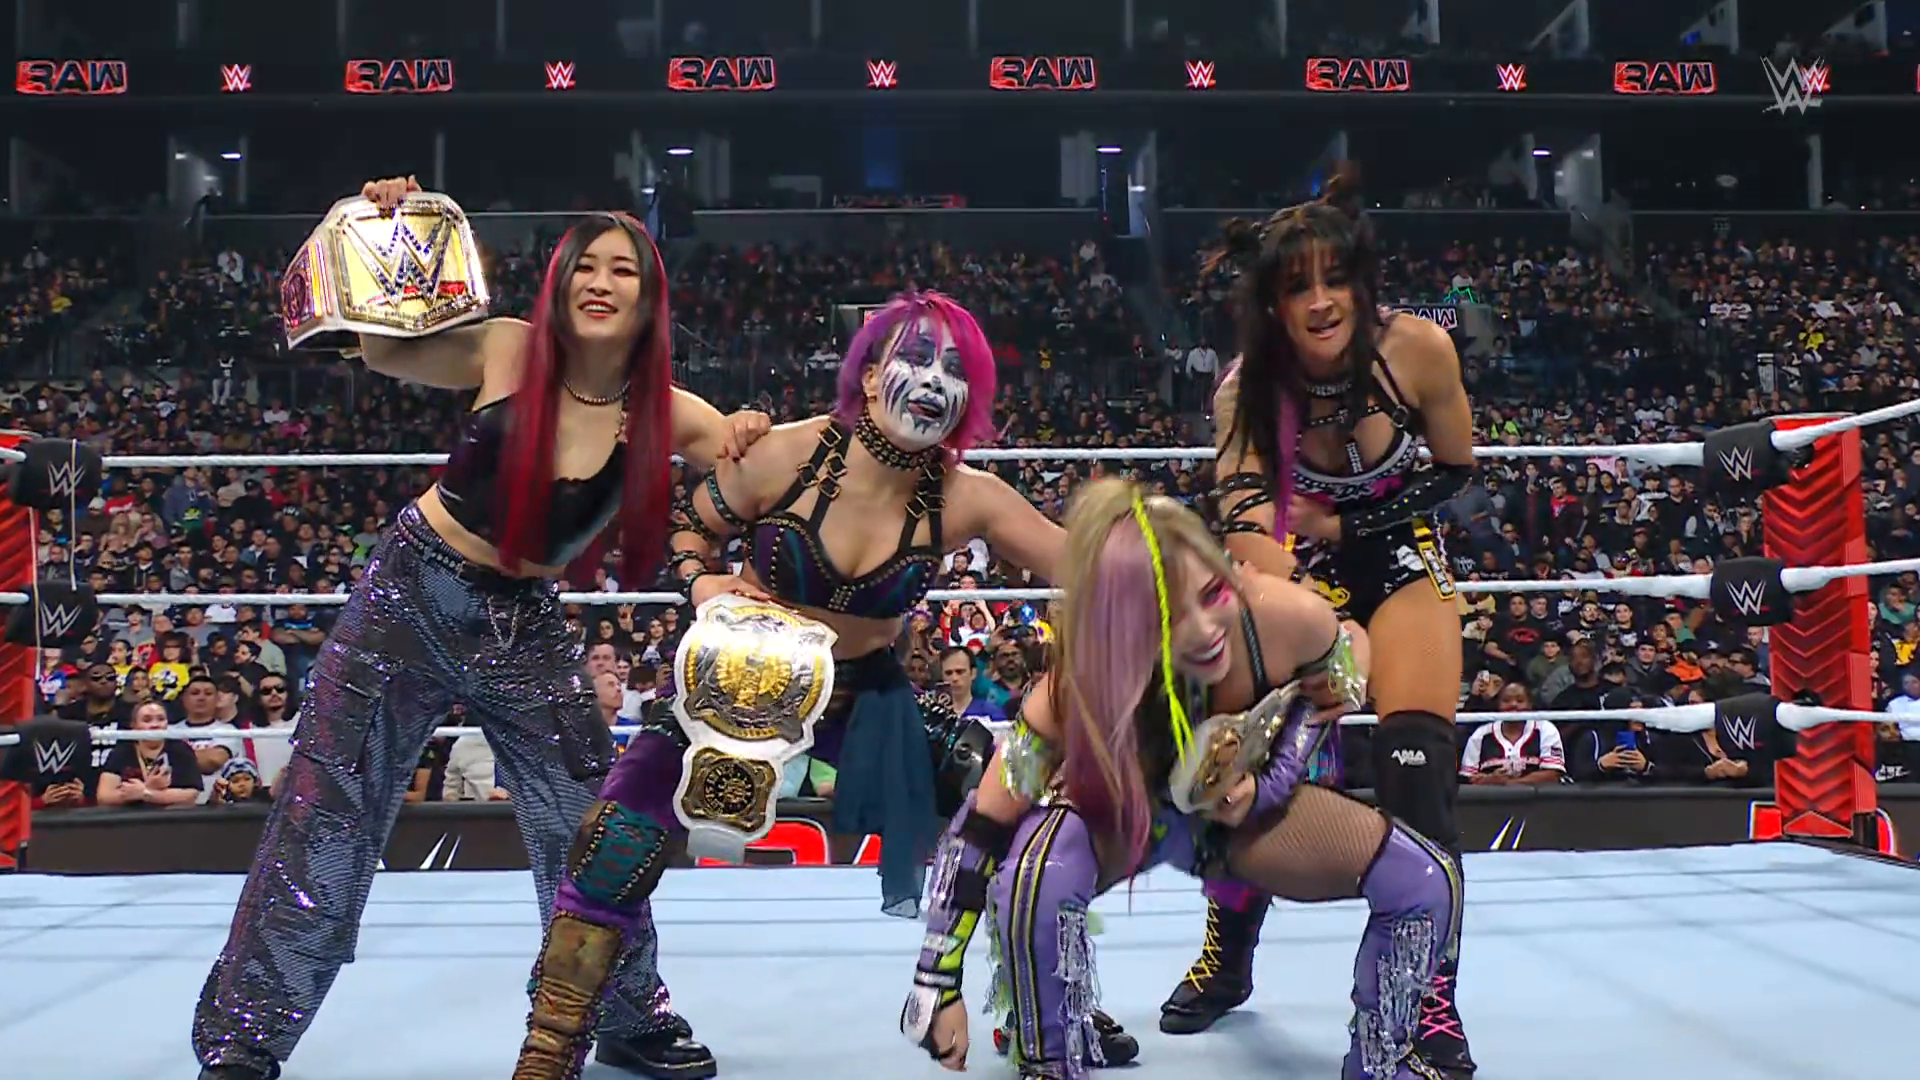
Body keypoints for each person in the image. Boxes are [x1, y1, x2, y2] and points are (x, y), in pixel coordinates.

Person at [191, 176, 769, 1080]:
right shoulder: (507, 348)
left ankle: (625, 1011)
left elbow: (766, 464)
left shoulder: (668, 412)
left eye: (623, 268)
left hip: (523, 624)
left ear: (650, 296)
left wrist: (752, 427)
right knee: (328, 811)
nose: (601, 281)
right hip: (408, 595)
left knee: (592, 820)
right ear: (561, 280)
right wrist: (387, 229)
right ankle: (246, 1037)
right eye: (586, 264)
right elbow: (384, 351)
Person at [515, 290, 1135, 1080]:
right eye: (916, 358)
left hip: (868, 696)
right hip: (743, 678)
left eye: (954, 369)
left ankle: (1048, 999)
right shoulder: (789, 453)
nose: (933, 381)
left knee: (1016, 812)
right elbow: (691, 524)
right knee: (617, 835)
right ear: (869, 376)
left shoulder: (966, 496)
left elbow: (1079, 563)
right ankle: (555, 1043)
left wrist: (1164, 554)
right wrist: (701, 582)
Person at [901, 479, 1459, 1080]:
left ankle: (1382, 1062)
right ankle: (1050, 1053)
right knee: (1035, 875)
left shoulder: (1285, 615)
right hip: (1124, 815)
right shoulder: (1080, 681)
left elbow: (1340, 671)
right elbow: (982, 826)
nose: (1203, 629)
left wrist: (1269, 783)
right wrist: (936, 982)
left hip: (1238, 823)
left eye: (1212, 591)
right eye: (1164, 619)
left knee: (1424, 878)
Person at [1167, 168, 1479, 1077]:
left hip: (1397, 551)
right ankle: (1229, 951)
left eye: (1333, 280)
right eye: (1297, 286)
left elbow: (1456, 468)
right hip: (1291, 566)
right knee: (1244, 756)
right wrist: (1320, 633)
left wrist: (1348, 528)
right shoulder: (1246, 395)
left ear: (1361, 283)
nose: (1319, 302)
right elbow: (1248, 534)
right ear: (1271, 303)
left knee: (1419, 773)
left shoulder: (1416, 350)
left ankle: (1428, 998)